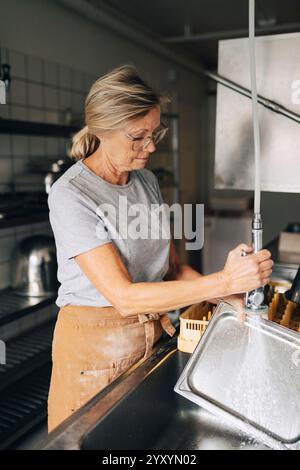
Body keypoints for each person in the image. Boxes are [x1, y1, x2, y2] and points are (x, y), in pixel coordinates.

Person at [47, 65, 273, 432]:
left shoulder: (146, 181)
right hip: (96, 351)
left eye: (155, 133)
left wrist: (229, 297)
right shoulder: (71, 194)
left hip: (152, 335)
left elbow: (172, 269)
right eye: (138, 137)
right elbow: (124, 297)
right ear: (102, 131)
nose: (151, 146)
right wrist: (222, 280)